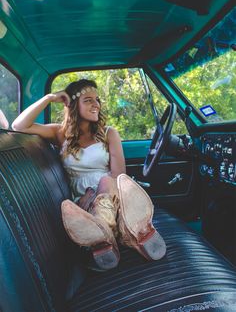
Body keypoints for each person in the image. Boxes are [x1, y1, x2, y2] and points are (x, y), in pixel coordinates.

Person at [12, 79, 166, 270]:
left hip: (112, 195)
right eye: (88, 100)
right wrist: (50, 98)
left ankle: (104, 236)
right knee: (96, 204)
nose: (96, 105)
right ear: (73, 105)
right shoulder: (61, 134)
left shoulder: (109, 133)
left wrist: (99, 194)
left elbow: (119, 176)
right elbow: (19, 125)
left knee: (107, 180)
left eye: (97, 99)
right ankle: (132, 233)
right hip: (83, 203)